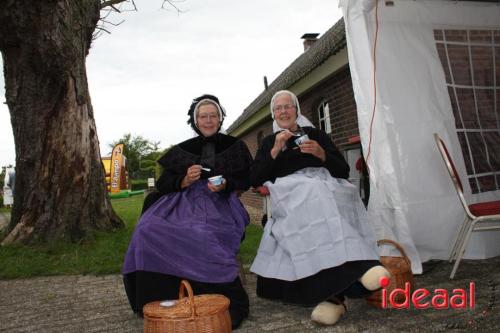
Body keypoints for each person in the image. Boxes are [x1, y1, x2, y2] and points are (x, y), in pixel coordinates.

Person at [250, 90, 389, 326]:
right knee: (313, 194)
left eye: (288, 107)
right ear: (273, 114)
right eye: (278, 108)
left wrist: (321, 153)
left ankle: (335, 296)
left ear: (297, 110)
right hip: (291, 190)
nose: (283, 111)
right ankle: (361, 270)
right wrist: (275, 150)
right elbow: (255, 178)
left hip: (325, 183)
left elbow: (342, 170)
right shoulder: (267, 143)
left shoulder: (316, 135)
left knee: (330, 196)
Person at [122, 94, 253, 329]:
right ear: (195, 120)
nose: (209, 120)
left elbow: (247, 177)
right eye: (203, 116)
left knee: (201, 232)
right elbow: (164, 183)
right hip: (183, 201)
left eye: (213, 115)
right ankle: (159, 300)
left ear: (221, 118)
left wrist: (226, 185)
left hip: (220, 203)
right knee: (148, 228)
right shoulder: (183, 149)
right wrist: (184, 179)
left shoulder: (236, 146)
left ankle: (213, 297)